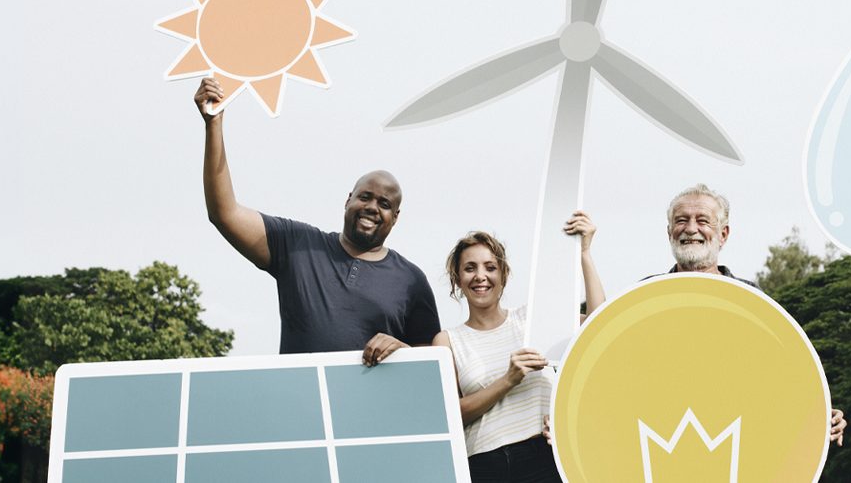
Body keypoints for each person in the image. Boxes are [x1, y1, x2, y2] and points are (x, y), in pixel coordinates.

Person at [194, 78, 439, 365]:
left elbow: (432, 365)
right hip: (301, 404)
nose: (372, 207)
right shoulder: (298, 245)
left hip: (371, 409)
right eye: (365, 197)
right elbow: (224, 213)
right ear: (348, 200)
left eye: (384, 204)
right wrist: (214, 124)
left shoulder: (410, 280)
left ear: (395, 218)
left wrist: (402, 350)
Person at [588, 184, 848, 444]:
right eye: (681, 221)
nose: (691, 229)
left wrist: (821, 412)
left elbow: (782, 373)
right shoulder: (644, 296)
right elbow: (608, 352)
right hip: (660, 435)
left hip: (731, 438)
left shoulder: (752, 300)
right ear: (669, 233)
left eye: (703, 220)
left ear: (723, 234)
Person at [432, 213, 602, 483]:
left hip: (544, 456)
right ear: (457, 278)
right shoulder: (447, 340)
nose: (480, 276)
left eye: (490, 267)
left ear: (503, 274)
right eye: (470, 268)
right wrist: (509, 379)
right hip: (485, 464)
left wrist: (585, 253)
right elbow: (450, 415)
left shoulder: (532, 318)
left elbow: (599, 324)